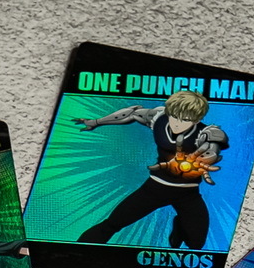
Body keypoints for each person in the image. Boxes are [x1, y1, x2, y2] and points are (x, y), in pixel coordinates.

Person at [71, 89, 228, 250]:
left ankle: (179, 226)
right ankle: (76, 253)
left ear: (197, 119)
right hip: (155, 189)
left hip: (188, 194)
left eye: (185, 120)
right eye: (174, 116)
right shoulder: (159, 118)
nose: (177, 123)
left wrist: (198, 160)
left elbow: (211, 151)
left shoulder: (206, 133)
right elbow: (131, 114)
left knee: (196, 243)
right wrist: (96, 122)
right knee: (112, 224)